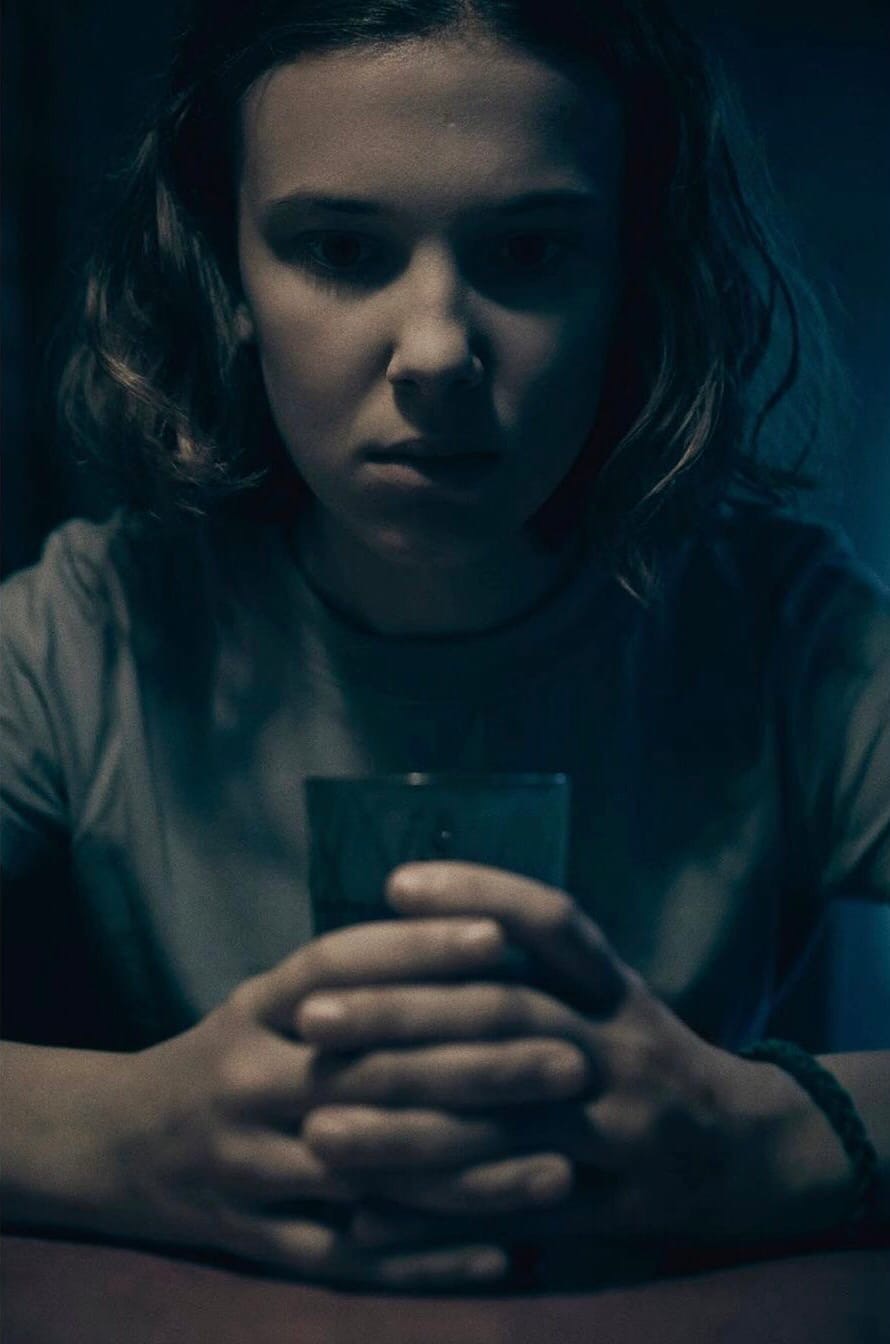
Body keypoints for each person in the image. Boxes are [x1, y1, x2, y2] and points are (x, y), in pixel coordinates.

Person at [2, 0, 888, 1292]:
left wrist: (755, 1139)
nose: (436, 354)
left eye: (528, 250)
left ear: (630, 275)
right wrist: (121, 1136)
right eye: (340, 249)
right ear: (225, 273)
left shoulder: (790, 633)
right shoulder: (90, 633)